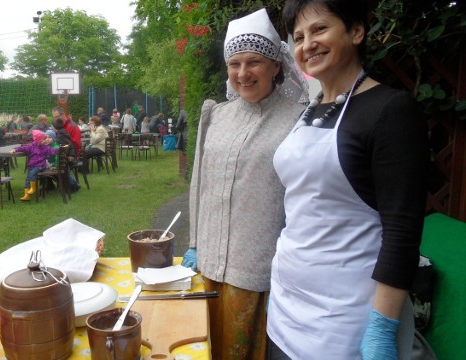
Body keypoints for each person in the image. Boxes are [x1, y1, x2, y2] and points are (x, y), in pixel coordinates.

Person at [266, 1, 429, 359]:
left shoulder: (390, 111)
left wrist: (383, 328)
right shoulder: (310, 111)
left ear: (356, 31)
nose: (307, 44)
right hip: (284, 307)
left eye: (320, 29)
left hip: (343, 322)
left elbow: (402, 231)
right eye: (298, 36)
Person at [180, 8, 308, 359]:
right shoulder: (216, 116)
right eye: (234, 64)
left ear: (276, 65)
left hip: (257, 273)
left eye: (254, 62)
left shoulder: (299, 120)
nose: (243, 73)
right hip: (206, 266)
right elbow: (199, 184)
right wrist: (195, 242)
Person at [10, 130, 57, 201]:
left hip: (40, 166)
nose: (46, 140)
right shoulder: (31, 146)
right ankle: (26, 195)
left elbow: (53, 151)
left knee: (32, 173)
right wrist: (15, 149)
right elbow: (23, 148)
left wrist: (61, 149)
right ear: (38, 140)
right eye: (44, 139)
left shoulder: (45, 148)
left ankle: (33, 188)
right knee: (28, 179)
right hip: (31, 165)